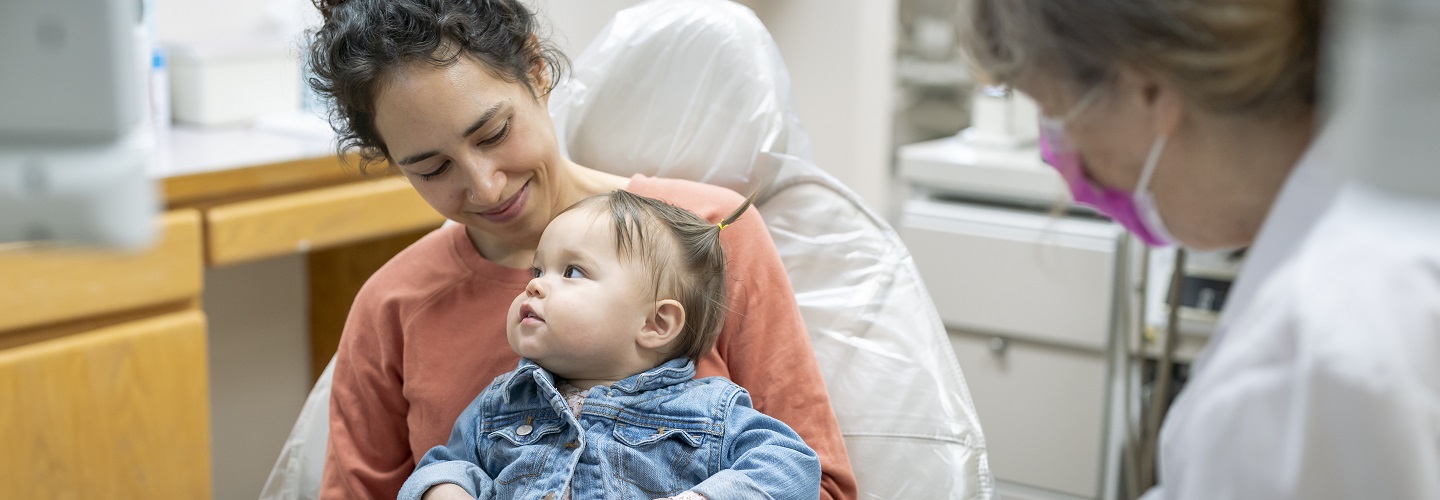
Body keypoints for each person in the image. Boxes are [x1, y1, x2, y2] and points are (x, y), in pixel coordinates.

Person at [306, 1, 855, 498]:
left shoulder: (704, 236)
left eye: (494, 133)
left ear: (536, 69)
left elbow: (818, 482)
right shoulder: (393, 306)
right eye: (431, 168)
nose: (486, 186)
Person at [960, 0, 1440, 498]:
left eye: (1051, 111)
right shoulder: (1390, 221)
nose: (1064, 162)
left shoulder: (1299, 366)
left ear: (1146, 92)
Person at [400, 190, 820, 500]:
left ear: (656, 323)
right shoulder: (500, 403)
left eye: (573, 272)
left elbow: (793, 465)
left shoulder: (709, 412)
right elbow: (445, 462)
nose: (534, 284)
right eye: (539, 268)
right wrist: (444, 487)